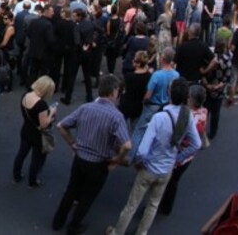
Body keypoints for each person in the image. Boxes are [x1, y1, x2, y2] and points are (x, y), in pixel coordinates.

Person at [106, 79, 201, 235]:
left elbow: (143, 150)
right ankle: (142, 232)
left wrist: (139, 162)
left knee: (132, 204)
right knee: (153, 204)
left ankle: (118, 231)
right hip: (167, 169)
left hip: (149, 167)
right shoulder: (187, 117)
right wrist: (177, 158)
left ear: (170, 93)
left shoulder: (160, 118)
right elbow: (196, 144)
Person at [52, 74, 132, 235]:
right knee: (88, 197)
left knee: (71, 190)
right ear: (114, 91)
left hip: (80, 158)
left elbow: (61, 126)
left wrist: (73, 144)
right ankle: (74, 226)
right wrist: (117, 160)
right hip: (99, 164)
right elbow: (127, 145)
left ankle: (57, 221)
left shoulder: (85, 107)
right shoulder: (116, 116)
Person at [158, 85, 209, 216]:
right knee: (174, 181)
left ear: (191, 99)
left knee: (170, 181)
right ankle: (166, 206)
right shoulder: (204, 112)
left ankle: (163, 205)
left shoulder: (188, 116)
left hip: (180, 154)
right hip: (189, 156)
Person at [12, 76, 56, 189]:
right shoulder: (41, 105)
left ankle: (16, 175)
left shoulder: (25, 95)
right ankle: (32, 181)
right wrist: (51, 114)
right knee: (36, 159)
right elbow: (43, 125)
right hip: (37, 135)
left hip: (26, 129)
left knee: (21, 153)